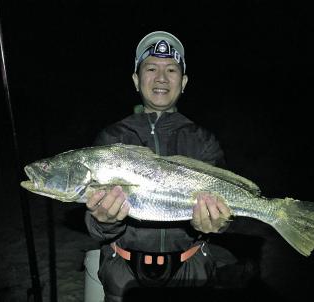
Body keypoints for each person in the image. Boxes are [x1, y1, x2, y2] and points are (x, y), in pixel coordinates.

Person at [85, 31, 257, 302]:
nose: (161, 78)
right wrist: (104, 222)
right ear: (136, 79)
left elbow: (224, 216)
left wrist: (216, 223)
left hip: (192, 272)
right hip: (123, 274)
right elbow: (93, 226)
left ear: (184, 81)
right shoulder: (111, 140)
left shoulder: (203, 141)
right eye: (151, 68)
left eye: (172, 70)